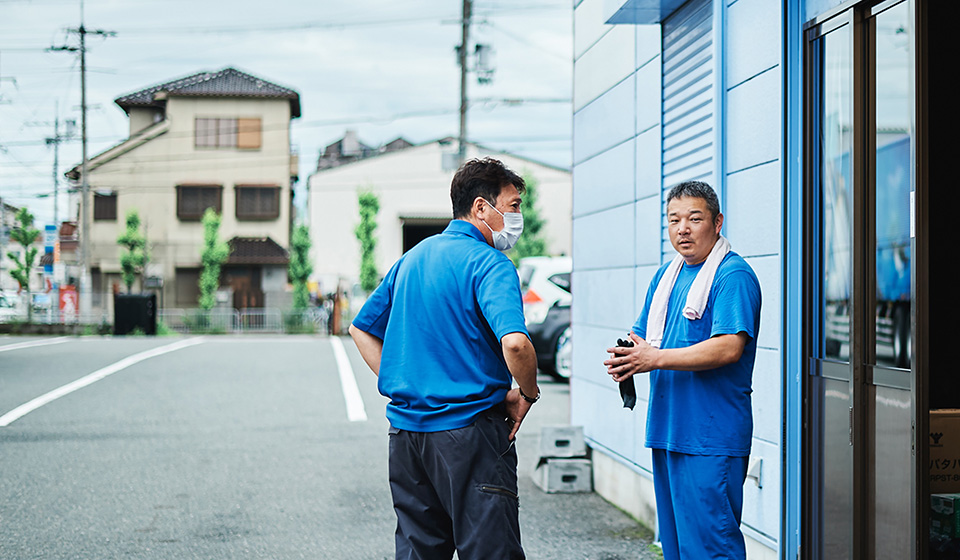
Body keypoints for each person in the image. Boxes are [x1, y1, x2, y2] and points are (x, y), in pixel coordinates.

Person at [349, 157, 540, 560]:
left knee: (420, 551)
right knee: (490, 551)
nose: (518, 215)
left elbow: (360, 329)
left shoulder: (412, 259)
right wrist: (528, 392)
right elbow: (516, 344)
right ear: (481, 209)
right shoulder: (490, 264)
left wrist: (408, 381)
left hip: (406, 437)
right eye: (514, 204)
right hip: (469, 433)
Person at [603, 180, 761, 560]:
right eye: (673, 220)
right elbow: (642, 338)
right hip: (668, 431)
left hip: (711, 437)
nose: (682, 228)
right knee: (677, 550)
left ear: (718, 221)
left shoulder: (731, 275)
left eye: (694, 218)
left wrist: (654, 359)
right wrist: (627, 358)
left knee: (712, 548)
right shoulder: (666, 277)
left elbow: (729, 346)